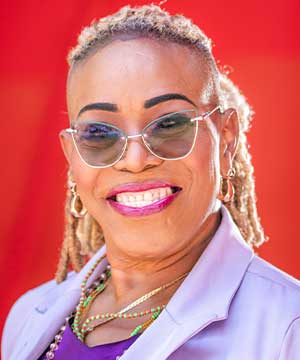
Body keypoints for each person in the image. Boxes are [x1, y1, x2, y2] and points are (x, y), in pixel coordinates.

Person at [2, 4, 300, 360]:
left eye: (170, 124)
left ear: (227, 139)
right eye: (99, 132)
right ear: (71, 155)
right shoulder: (28, 316)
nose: (135, 160)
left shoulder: (286, 329)